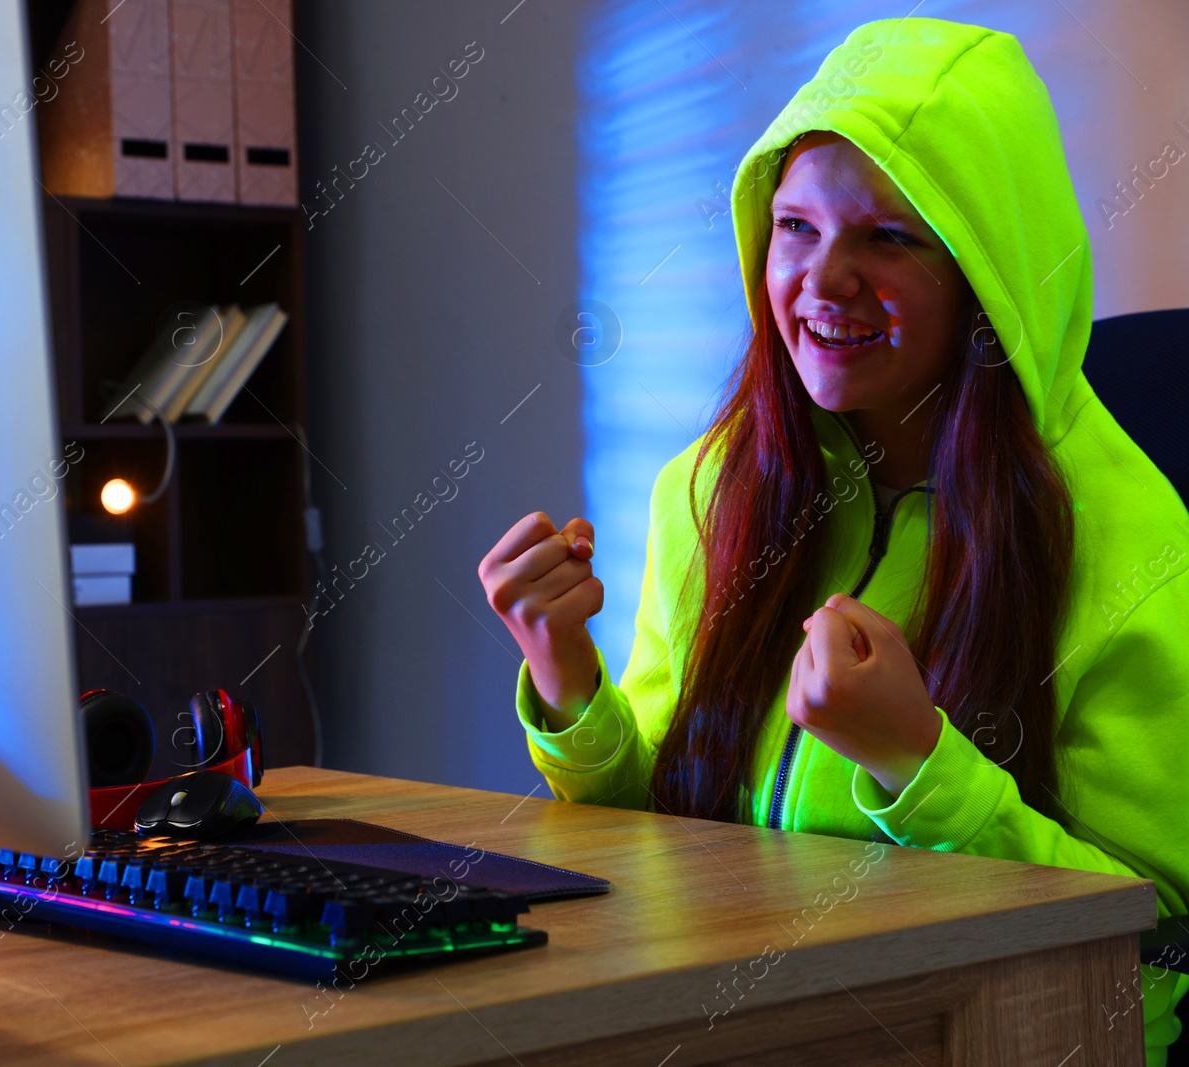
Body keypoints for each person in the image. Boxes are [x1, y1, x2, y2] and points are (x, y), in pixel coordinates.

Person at [479, 16, 1189, 1061]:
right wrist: (568, 682)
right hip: (748, 1015)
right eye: (796, 227)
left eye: (888, 238)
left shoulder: (1129, 531)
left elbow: (1156, 932)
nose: (821, 280)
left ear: (987, 276)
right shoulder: (712, 487)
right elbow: (669, 823)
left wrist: (919, 762)